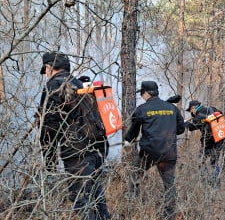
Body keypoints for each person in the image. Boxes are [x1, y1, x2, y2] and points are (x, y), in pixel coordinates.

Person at [38, 51, 110, 220]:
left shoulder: (53, 87)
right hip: (97, 148)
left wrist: (49, 160)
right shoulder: (78, 84)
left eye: (46, 70)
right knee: (95, 194)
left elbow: (49, 126)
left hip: (76, 151)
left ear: (48, 68)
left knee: (81, 200)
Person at [124, 81, 185, 220]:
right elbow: (181, 130)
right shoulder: (172, 108)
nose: (142, 97)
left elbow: (133, 131)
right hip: (169, 153)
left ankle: (132, 206)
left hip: (149, 153)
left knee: (135, 174)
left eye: (142, 94)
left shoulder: (141, 109)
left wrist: (127, 141)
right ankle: (169, 215)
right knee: (169, 185)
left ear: (146, 94)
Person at [184, 100, 225, 186]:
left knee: (201, 161)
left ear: (193, 108)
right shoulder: (212, 109)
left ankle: (205, 181)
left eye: (191, 111)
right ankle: (216, 181)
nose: (191, 113)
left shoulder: (198, 117)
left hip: (208, 142)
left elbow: (192, 127)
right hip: (220, 138)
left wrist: (185, 123)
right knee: (214, 162)